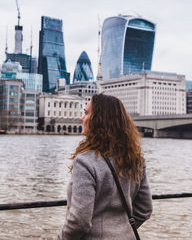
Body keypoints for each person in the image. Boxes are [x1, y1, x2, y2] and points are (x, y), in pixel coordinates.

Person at [58, 93, 152, 240]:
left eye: (86, 113)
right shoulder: (135, 159)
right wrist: (121, 229)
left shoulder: (85, 161)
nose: (82, 118)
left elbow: (79, 221)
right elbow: (145, 209)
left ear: (99, 120)